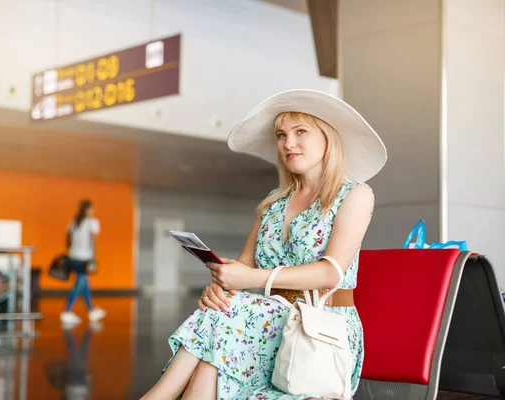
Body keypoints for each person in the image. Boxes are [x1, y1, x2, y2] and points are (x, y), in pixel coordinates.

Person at [140, 89, 387, 400]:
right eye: (281, 135)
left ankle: (155, 397)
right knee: (210, 362)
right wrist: (220, 286)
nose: (288, 143)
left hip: (321, 332)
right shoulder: (273, 203)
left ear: (328, 137)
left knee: (224, 328)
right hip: (271, 324)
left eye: (301, 132)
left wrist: (250, 280)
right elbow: (242, 268)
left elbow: (330, 274)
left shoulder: (354, 194)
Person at [60, 199, 106, 325]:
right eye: (92, 208)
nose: (94, 211)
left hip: (73, 256)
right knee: (79, 282)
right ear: (87, 209)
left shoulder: (74, 222)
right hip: (85, 258)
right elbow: (94, 241)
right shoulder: (92, 222)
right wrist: (93, 258)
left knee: (85, 283)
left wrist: (70, 250)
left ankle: (91, 310)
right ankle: (67, 311)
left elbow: (67, 238)